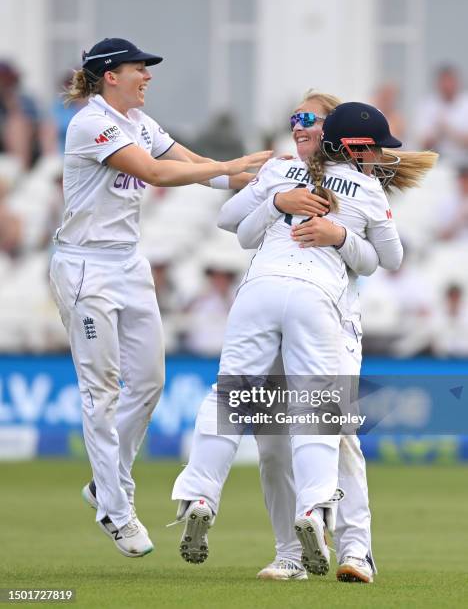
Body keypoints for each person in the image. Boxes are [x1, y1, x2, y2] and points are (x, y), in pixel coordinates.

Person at [48, 37, 271, 559]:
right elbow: (155, 172)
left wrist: (257, 176)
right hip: (85, 266)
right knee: (101, 390)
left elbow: (191, 162)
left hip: (127, 261)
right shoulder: (91, 122)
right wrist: (232, 164)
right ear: (110, 76)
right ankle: (115, 508)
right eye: (137, 69)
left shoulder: (139, 123)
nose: (147, 76)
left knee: (148, 382)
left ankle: (104, 484)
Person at [171, 99, 409, 580]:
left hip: (260, 293)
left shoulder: (284, 173)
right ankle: (311, 514)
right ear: (358, 147)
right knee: (316, 410)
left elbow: (236, 228)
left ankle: (200, 493)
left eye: (310, 121)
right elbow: (391, 258)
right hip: (315, 300)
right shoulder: (355, 184)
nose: (299, 128)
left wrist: (303, 217)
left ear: (327, 134)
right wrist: (306, 219)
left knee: (231, 397)